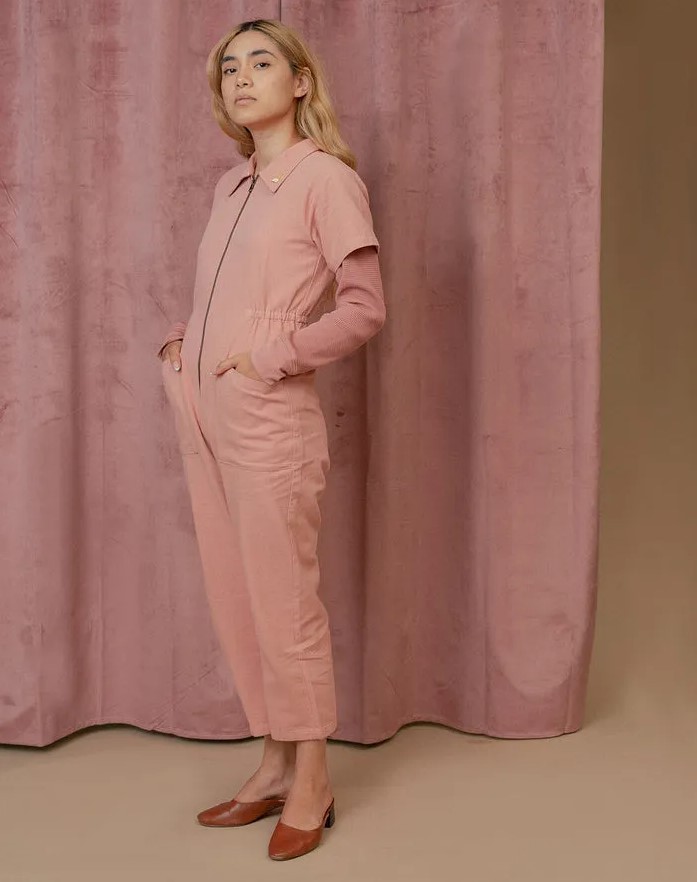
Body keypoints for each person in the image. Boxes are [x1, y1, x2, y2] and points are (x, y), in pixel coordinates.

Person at [156, 19, 385, 861]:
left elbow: (364, 308)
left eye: (261, 63)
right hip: (203, 412)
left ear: (299, 81)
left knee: (285, 603)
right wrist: (183, 343)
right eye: (229, 69)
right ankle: (273, 765)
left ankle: (313, 779)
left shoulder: (325, 179)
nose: (242, 78)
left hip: (267, 418)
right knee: (238, 593)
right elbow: (224, 295)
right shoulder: (234, 185)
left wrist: (270, 358)